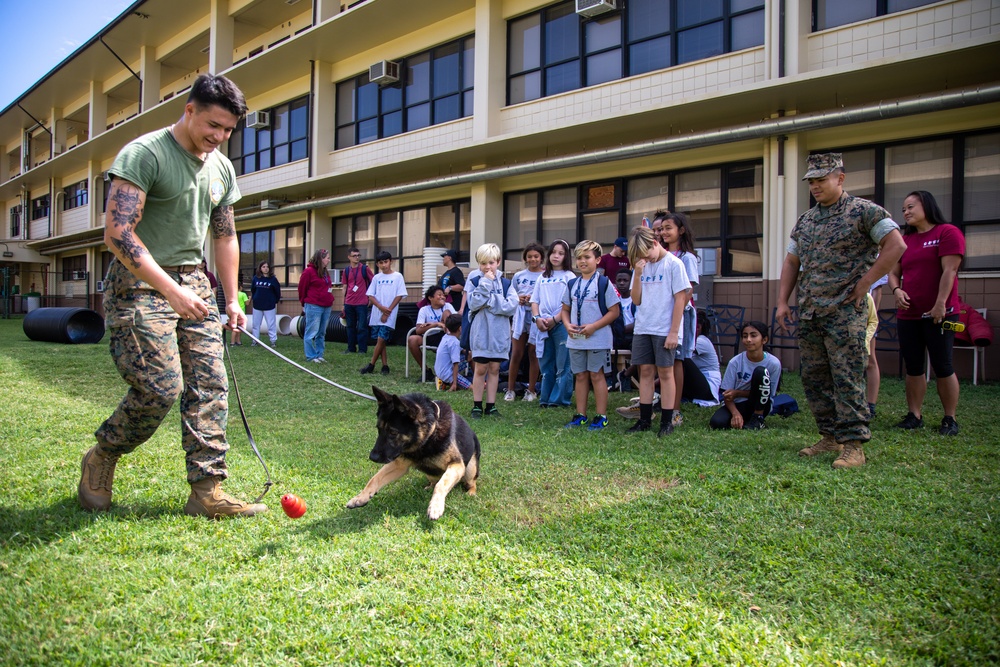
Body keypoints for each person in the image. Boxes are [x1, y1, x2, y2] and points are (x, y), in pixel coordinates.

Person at [78, 73, 266, 518]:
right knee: (160, 387)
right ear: (190, 111)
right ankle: (103, 454)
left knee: (210, 386)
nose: (218, 137)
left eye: (227, 131)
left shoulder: (221, 167)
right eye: (212, 126)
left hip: (194, 282)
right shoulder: (145, 154)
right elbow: (117, 232)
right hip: (140, 284)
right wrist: (170, 290)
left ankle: (207, 491)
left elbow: (225, 237)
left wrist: (231, 299)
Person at [777, 153, 905, 468]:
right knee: (814, 377)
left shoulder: (864, 212)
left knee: (847, 376)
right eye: (812, 181)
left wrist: (866, 283)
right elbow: (793, 261)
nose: (816, 186)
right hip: (810, 312)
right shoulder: (806, 221)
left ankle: (854, 445)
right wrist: (782, 301)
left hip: (845, 312)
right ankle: (830, 436)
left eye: (822, 179)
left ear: (840, 178)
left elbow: (896, 245)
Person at [888, 190, 966, 436]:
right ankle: (914, 415)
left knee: (943, 365)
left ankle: (949, 418)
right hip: (908, 315)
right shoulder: (905, 240)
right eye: (903, 209)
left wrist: (941, 304)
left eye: (911, 206)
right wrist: (897, 290)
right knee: (913, 366)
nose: (906, 212)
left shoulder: (947, 232)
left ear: (927, 206)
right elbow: (893, 273)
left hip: (941, 314)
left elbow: (949, 271)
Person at [626, 225, 691, 436]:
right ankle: (644, 420)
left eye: (648, 254)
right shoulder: (641, 265)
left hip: (665, 328)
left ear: (655, 243)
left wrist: (674, 332)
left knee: (665, 372)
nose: (648, 259)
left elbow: (681, 299)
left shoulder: (674, 264)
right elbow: (636, 299)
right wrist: (637, 273)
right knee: (644, 371)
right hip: (643, 326)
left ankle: (666, 421)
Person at [562, 240, 621, 430]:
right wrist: (566, 324)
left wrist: (594, 326)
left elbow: (614, 311)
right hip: (576, 339)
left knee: (596, 375)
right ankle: (580, 415)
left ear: (598, 260)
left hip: (598, 338)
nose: (582, 261)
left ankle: (601, 416)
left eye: (587, 257)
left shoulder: (604, 283)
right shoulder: (572, 284)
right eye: (579, 258)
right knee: (580, 376)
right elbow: (565, 309)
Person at [656, 211, 700, 428]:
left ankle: (675, 410)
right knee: (663, 362)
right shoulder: (660, 256)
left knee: (676, 361)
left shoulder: (686, 258)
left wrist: (673, 311)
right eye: (661, 229)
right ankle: (663, 404)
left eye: (668, 228)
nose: (663, 232)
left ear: (681, 230)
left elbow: (688, 290)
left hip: (681, 315)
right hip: (660, 316)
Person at [467, 243, 519, 418]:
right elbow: (473, 304)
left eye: (491, 262)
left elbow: (511, 306)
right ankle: (476, 405)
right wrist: (485, 284)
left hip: (499, 335)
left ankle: (491, 406)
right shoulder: (475, 281)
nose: (487, 267)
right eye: (483, 263)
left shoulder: (506, 283)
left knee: (495, 368)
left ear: (498, 262)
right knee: (480, 368)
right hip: (481, 334)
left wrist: (489, 302)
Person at [709, 321, 782, 430]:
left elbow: (766, 393)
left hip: (760, 404)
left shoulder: (773, 363)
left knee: (760, 372)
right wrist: (735, 414)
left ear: (764, 340)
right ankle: (743, 419)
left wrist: (738, 393)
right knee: (717, 423)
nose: (748, 340)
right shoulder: (735, 362)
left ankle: (758, 418)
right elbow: (727, 394)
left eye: (753, 336)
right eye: (745, 336)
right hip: (737, 404)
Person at [530, 239, 576, 408]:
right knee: (546, 363)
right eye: (553, 252)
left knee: (563, 363)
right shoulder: (543, 277)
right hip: (542, 325)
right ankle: (546, 398)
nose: (556, 256)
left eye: (561, 253)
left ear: (566, 257)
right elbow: (535, 301)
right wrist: (537, 319)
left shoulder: (569, 276)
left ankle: (560, 399)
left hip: (561, 324)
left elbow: (569, 303)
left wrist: (556, 319)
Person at [505, 242, 545, 402]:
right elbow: (511, 295)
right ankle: (510, 390)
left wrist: (534, 301)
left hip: (537, 316)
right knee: (516, 353)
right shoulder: (518, 276)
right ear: (525, 258)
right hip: (520, 316)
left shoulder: (545, 275)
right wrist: (519, 299)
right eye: (530, 256)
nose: (533, 259)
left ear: (541, 258)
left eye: (536, 256)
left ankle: (531, 390)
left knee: (534, 353)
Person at [360, 251, 408, 375]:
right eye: (381, 263)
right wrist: (381, 308)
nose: (384, 265)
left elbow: (400, 295)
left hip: (389, 314)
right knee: (381, 341)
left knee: (381, 339)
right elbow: (370, 295)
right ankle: (385, 366)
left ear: (390, 261)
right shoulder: (376, 278)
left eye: (386, 262)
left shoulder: (398, 276)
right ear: (377, 264)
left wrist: (388, 311)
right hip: (377, 313)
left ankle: (371, 365)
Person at [408, 285, 456, 381]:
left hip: (445, 336)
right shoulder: (424, 310)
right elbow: (418, 330)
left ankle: (448, 371)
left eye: (443, 295)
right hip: (429, 337)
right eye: (439, 295)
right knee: (412, 339)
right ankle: (426, 371)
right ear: (430, 298)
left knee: (446, 312)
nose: (443, 297)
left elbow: (455, 322)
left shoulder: (448, 306)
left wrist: (433, 324)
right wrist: (436, 324)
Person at [297, 248, 333, 363]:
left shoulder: (325, 272)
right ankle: (311, 356)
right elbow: (302, 288)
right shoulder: (308, 272)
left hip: (326, 305)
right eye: (327, 258)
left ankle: (319, 354)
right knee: (311, 331)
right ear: (321, 259)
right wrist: (303, 303)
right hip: (314, 305)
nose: (329, 260)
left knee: (321, 332)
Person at [684, 309, 721, 407]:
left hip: (708, 388)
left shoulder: (701, 341)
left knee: (682, 359)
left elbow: (679, 357)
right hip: (697, 384)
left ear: (698, 327)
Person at [340, 247, 373, 355]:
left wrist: (370, 298)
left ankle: (362, 349)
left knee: (362, 327)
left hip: (362, 302)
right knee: (350, 326)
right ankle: (351, 348)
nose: (357, 257)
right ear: (349, 257)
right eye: (354, 256)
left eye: (358, 255)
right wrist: (343, 303)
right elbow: (344, 287)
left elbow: (373, 283)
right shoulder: (346, 270)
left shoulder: (365, 269)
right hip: (349, 302)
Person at [866, 274, 888, 418]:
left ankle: (870, 405)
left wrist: (871, 321)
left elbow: (877, 290)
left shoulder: (875, 256)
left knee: (870, 361)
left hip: (866, 317)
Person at [434, 314, 472, 391]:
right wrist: (454, 383)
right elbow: (455, 364)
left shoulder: (446, 337)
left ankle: (446, 382)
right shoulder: (455, 343)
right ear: (460, 328)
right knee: (473, 388)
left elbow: (461, 350)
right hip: (448, 374)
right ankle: (453, 382)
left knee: (469, 354)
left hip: (439, 371)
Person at [250, 259, 281, 347]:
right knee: (255, 324)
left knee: (271, 324)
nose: (266, 268)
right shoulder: (256, 278)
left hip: (269, 306)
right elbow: (253, 289)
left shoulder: (273, 279)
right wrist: (255, 298)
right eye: (263, 267)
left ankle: (273, 341)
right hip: (257, 305)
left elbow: (277, 291)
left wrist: (274, 301)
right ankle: (255, 340)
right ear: (260, 268)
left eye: (267, 267)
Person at [231, 279, 248, 346]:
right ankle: (234, 342)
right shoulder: (243, 294)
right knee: (238, 329)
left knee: (235, 327)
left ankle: (237, 342)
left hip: (233, 312)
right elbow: (247, 303)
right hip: (241, 313)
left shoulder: (233, 294)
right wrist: (250, 298)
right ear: (240, 287)